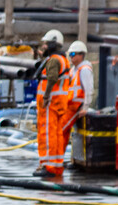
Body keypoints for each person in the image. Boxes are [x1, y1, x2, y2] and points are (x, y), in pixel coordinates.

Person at [34, 30, 73, 178]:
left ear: (52, 44)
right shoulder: (61, 59)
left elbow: (51, 79)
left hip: (50, 103)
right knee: (56, 135)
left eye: (46, 43)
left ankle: (48, 166)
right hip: (59, 103)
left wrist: (46, 96)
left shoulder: (54, 60)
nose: (44, 46)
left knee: (47, 135)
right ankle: (56, 166)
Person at [68, 41, 95, 112]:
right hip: (70, 108)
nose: (71, 56)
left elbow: (89, 90)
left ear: (81, 55)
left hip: (79, 108)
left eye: (73, 54)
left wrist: (85, 108)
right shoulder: (73, 70)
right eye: (70, 54)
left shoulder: (85, 69)